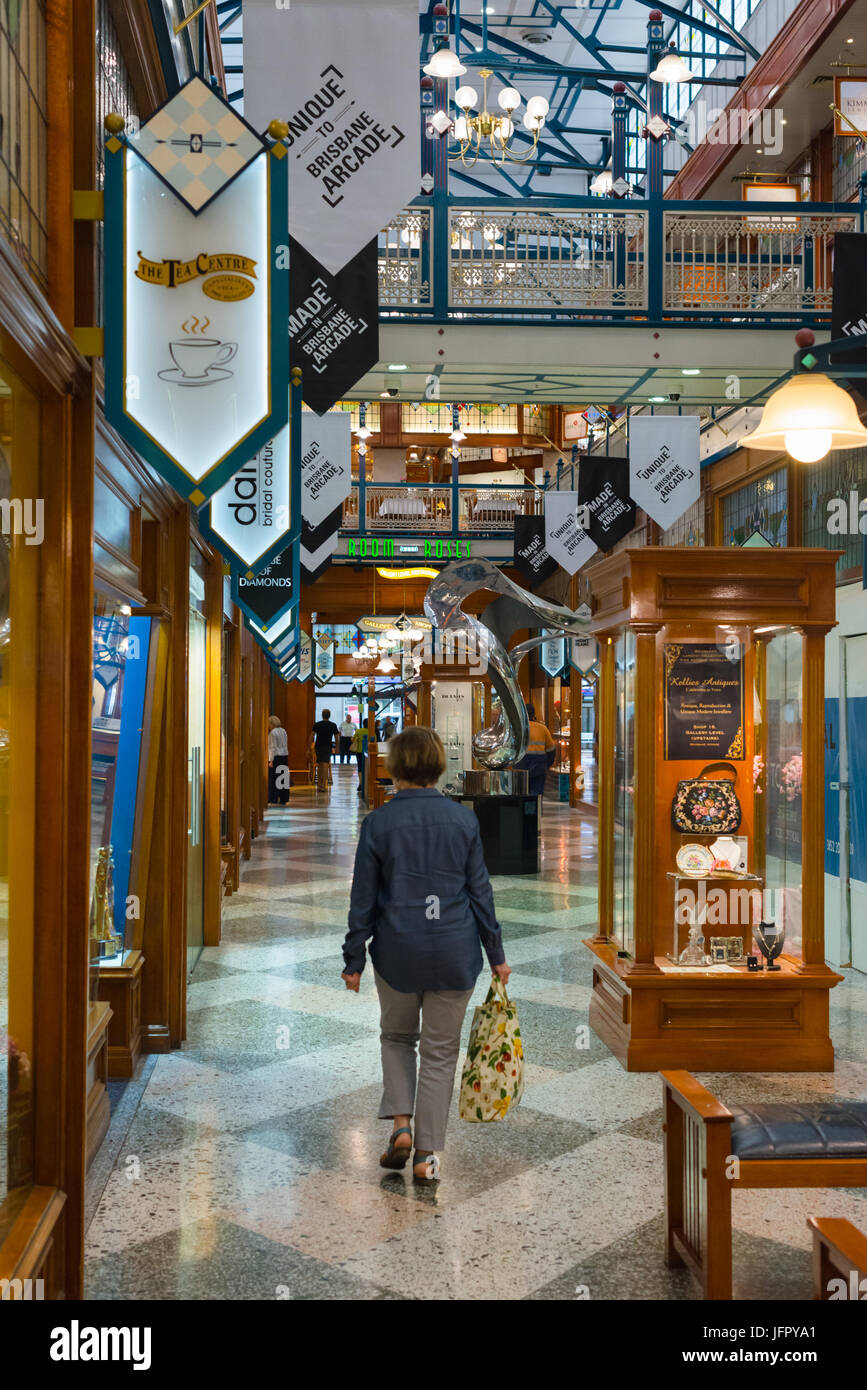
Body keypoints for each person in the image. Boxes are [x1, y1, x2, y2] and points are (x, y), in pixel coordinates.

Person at [341, 727, 510, 1186]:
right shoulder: (463, 821)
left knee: (396, 1038)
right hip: (455, 951)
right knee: (439, 1053)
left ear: (394, 767)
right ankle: (426, 1155)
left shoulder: (377, 823)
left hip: (397, 949)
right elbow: (480, 892)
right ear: (438, 764)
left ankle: (400, 1126)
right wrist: (496, 953)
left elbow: (364, 900)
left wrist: (353, 959)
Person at [516, 702, 556, 798]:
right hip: (538, 767)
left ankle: (522, 812)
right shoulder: (542, 728)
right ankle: (535, 812)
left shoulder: (517, 728)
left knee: (520, 795)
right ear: (534, 714)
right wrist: (546, 765)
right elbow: (551, 750)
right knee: (536, 795)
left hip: (520, 767)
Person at [311, 708, 339, 791]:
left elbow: (311, 735)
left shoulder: (317, 724)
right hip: (328, 746)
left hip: (318, 746)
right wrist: (337, 748)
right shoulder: (333, 725)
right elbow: (337, 737)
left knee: (319, 765)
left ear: (322, 715)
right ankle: (324, 785)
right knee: (325, 764)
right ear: (329, 716)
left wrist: (309, 747)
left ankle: (319, 784)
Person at [267, 714, 290, 805]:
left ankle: (273, 798)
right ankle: (284, 798)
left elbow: (273, 747)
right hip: (284, 756)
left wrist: (270, 760)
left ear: (271, 723)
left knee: (274, 779)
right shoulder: (283, 730)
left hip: (276, 757)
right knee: (283, 778)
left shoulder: (272, 733)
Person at [350, 722, 367, 796]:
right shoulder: (372, 731)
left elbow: (352, 739)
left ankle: (361, 783)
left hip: (359, 752)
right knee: (367, 768)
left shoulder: (358, 731)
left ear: (363, 724)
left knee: (360, 768)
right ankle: (366, 784)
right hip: (368, 752)